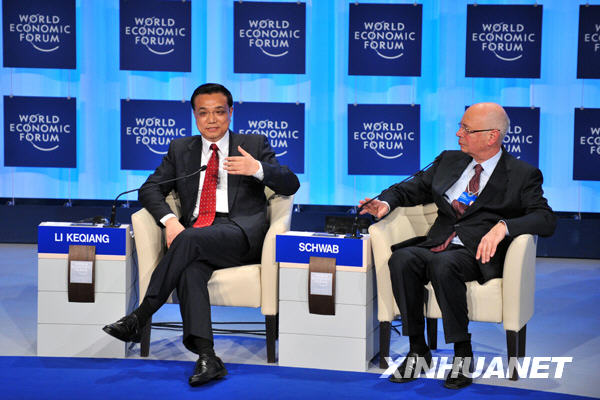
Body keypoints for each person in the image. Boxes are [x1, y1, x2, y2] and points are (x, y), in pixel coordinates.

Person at [103, 83, 300, 386]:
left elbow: (290, 184)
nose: (211, 120)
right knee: (189, 270)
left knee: (188, 240)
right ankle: (208, 357)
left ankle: (140, 316)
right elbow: (149, 189)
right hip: (196, 235)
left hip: (240, 235)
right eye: (203, 113)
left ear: (231, 112)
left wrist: (257, 168)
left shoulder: (253, 143)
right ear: (195, 115)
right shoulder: (181, 149)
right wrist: (170, 221)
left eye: (219, 112)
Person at [359, 102, 556, 389]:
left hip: (477, 253)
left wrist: (503, 227)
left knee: (444, 264)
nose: (458, 133)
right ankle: (418, 350)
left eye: (466, 129)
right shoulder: (449, 160)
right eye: (460, 127)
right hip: (438, 242)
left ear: (492, 136)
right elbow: (409, 188)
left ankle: (463, 354)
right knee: (401, 258)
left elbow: (546, 219)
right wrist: (385, 203)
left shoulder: (522, 174)